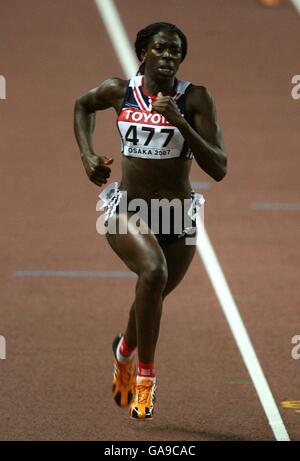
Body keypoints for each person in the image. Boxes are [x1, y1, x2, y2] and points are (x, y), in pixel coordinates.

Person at [74, 22, 227, 420]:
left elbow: (219, 168)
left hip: (177, 215)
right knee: (154, 273)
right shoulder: (118, 91)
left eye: (176, 51)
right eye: (161, 48)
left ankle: (123, 352)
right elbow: (82, 105)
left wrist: (180, 122)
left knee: (151, 294)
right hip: (128, 209)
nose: (169, 56)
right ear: (143, 52)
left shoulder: (196, 98)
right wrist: (87, 155)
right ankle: (145, 380)